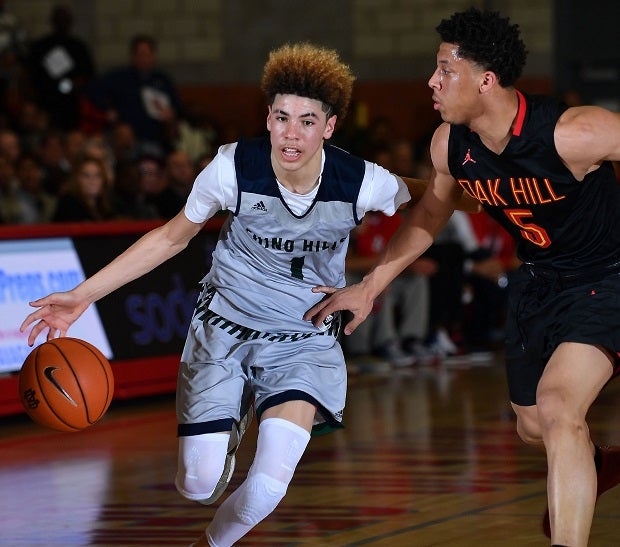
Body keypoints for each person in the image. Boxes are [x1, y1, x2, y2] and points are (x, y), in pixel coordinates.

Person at [20, 42, 431, 547]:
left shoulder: (362, 181)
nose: (291, 134)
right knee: (196, 484)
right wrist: (84, 295)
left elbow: (441, 200)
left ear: (329, 126)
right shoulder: (233, 168)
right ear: (268, 118)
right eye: (282, 118)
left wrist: (373, 285)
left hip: (304, 334)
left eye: (307, 121)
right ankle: (228, 421)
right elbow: (172, 237)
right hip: (227, 325)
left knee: (265, 487)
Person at [305, 8, 620, 547]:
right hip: (537, 280)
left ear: (485, 80)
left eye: (445, 70)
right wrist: (369, 286)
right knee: (532, 425)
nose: (432, 81)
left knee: (559, 407)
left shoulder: (574, 132)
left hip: (605, 277)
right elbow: (430, 216)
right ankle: (592, 466)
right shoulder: (450, 145)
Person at [84, 34, 182, 158]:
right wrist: (107, 109)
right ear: (133, 56)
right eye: (140, 54)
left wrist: (171, 114)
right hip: (128, 137)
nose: (144, 58)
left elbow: (177, 106)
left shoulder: (162, 80)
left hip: (157, 137)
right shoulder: (119, 78)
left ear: (153, 56)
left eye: (147, 54)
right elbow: (91, 89)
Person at [27, 4, 96, 131]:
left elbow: (88, 74)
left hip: (71, 103)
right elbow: (32, 75)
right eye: (59, 20)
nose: (62, 23)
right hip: (46, 102)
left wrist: (72, 85)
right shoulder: (41, 46)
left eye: (65, 20)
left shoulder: (78, 47)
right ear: (53, 22)